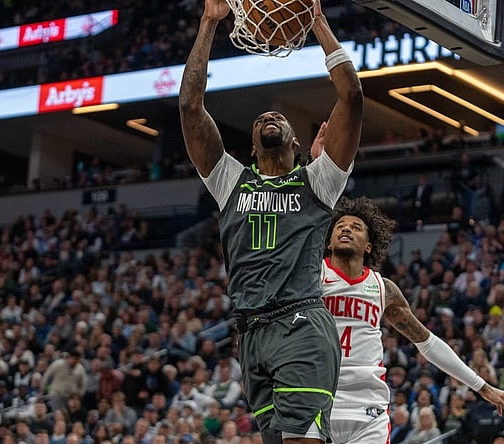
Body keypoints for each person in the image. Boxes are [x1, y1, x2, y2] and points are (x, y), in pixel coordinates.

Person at [178, 0, 363, 441]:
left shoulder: (318, 181)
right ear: (252, 145)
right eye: (260, 118)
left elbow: (352, 96)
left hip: (300, 323)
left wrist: (316, 23)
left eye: (277, 117)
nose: (267, 116)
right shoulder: (229, 181)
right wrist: (208, 23)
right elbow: (189, 105)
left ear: (296, 141)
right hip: (251, 335)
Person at [320, 196, 504, 444]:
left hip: (368, 406)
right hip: (318, 398)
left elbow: (428, 343)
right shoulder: (311, 277)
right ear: (328, 242)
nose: (346, 228)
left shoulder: (384, 289)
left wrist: (482, 386)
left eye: (356, 226)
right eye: (340, 225)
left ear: (369, 246)